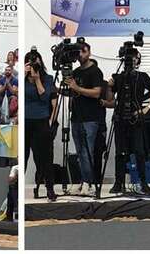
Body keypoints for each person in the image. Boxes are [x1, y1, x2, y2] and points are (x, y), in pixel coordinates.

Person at [104, 49, 150, 195]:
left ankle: (143, 183)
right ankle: (118, 183)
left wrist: (146, 108)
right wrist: (109, 86)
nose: (131, 60)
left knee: (140, 152)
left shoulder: (142, 76)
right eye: (129, 58)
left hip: (136, 119)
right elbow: (110, 99)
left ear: (137, 60)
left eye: (134, 58)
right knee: (120, 153)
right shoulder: (118, 77)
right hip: (120, 119)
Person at [63, 43, 104, 195]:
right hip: (76, 116)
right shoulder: (76, 71)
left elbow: (97, 93)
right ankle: (83, 181)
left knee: (87, 152)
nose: (80, 54)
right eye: (78, 52)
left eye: (83, 51)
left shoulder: (95, 71)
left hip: (90, 117)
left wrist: (77, 88)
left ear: (89, 52)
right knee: (80, 152)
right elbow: (73, 91)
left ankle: (89, 182)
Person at [24, 61, 56, 201]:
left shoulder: (47, 79)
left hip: (41, 121)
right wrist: (24, 75)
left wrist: (36, 79)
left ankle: (50, 189)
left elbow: (44, 97)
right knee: (23, 157)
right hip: (25, 121)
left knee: (44, 157)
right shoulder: (22, 79)